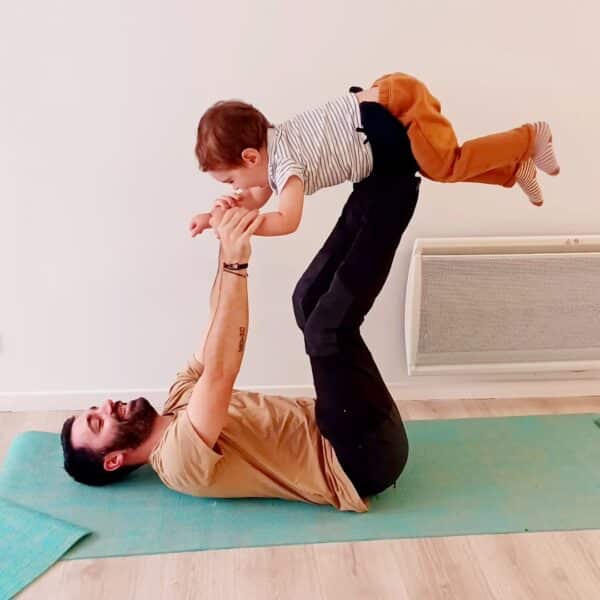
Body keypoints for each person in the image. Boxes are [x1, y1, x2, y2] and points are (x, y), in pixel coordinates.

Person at [60, 99, 420, 512]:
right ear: (113, 460)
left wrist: (224, 232)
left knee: (306, 300)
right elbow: (221, 371)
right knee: (328, 329)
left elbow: (217, 326)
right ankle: (397, 177)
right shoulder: (177, 462)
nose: (105, 406)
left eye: (94, 409)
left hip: (343, 423)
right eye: (97, 422)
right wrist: (236, 262)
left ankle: (375, 172)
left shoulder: (178, 398)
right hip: (357, 461)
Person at [189, 71, 560, 241]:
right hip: (388, 103)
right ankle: (514, 169)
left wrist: (238, 225)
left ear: (251, 158)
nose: (236, 188)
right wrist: (216, 217)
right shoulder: (275, 146)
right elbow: (256, 197)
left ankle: (530, 136)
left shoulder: (286, 163)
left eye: (230, 180)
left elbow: (287, 221)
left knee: (446, 165)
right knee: (433, 166)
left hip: (398, 105)